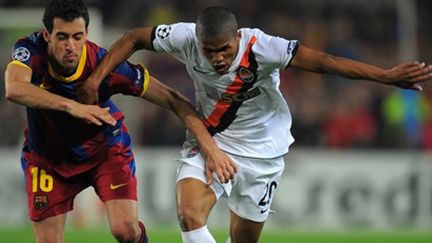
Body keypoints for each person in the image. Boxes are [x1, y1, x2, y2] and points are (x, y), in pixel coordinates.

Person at [76, 6, 432, 243]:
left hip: (263, 151)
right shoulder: (183, 37)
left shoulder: (263, 47)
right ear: (197, 40)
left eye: (225, 50)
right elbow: (134, 38)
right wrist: (96, 80)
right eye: (209, 50)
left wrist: (385, 76)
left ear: (237, 39)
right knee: (188, 215)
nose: (217, 58)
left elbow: (325, 61)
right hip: (210, 137)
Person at [4, 1, 237, 243]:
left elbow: (173, 99)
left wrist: (210, 149)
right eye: (62, 37)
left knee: (126, 230)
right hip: (48, 158)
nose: (70, 46)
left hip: (104, 152)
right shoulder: (30, 49)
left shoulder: (104, 66)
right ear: (46, 35)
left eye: (77, 36)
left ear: (87, 35)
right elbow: (14, 88)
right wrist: (73, 106)